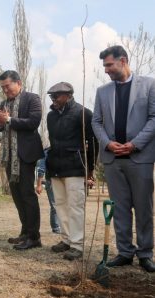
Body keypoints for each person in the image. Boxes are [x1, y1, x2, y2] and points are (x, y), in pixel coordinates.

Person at [92, 45, 155, 272]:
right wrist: (107, 143)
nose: (106, 70)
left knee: (144, 208)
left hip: (140, 158)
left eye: (109, 65)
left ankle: (145, 253)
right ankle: (125, 252)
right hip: (112, 158)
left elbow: (154, 118)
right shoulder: (102, 91)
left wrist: (134, 143)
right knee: (119, 208)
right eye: (105, 66)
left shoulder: (149, 85)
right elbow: (96, 122)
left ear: (123, 61)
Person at [0, 70, 44, 250]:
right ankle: (25, 232)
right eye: (3, 87)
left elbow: (33, 122)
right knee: (17, 195)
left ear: (18, 83)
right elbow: (0, 127)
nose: (5, 90)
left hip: (26, 154)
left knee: (27, 195)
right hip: (9, 156)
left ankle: (34, 237)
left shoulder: (32, 99)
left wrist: (9, 120)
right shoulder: (4, 103)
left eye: (8, 86)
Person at [45, 82, 97, 261]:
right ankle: (66, 240)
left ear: (68, 95)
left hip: (76, 166)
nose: (53, 99)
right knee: (60, 205)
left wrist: (90, 168)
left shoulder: (83, 113)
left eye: (57, 96)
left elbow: (93, 142)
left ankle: (77, 244)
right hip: (55, 167)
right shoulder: (51, 116)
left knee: (75, 207)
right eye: (51, 96)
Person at [35, 149, 60, 234]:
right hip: (51, 181)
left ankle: (62, 226)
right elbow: (41, 169)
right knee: (55, 205)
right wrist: (39, 185)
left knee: (62, 205)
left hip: (63, 181)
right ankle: (56, 227)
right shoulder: (46, 152)